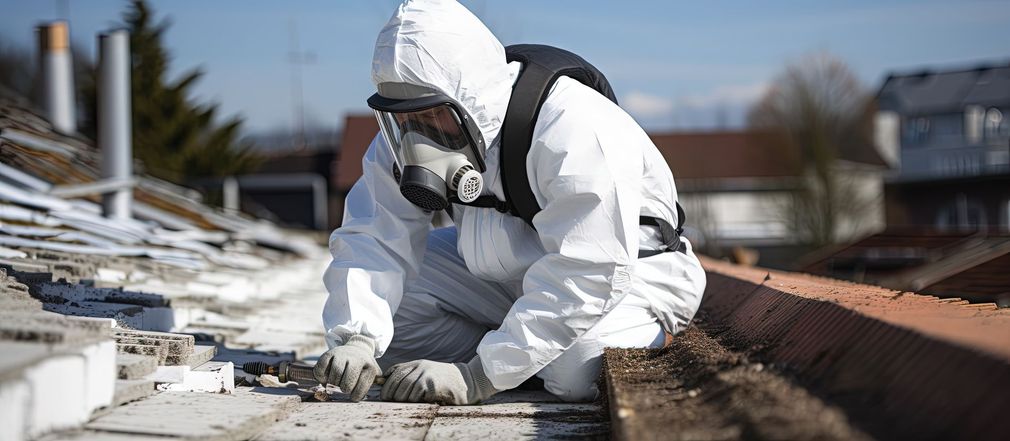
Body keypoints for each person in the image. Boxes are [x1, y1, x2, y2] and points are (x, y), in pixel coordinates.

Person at [317, 0, 707, 405]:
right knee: (391, 324)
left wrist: (478, 377)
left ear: (469, 98)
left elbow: (592, 266)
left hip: (631, 272)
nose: (416, 135)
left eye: (431, 115)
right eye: (403, 117)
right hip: (502, 272)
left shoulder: (572, 126)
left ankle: (634, 334)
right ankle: (518, 355)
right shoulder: (402, 136)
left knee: (575, 371)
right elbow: (375, 235)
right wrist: (357, 337)